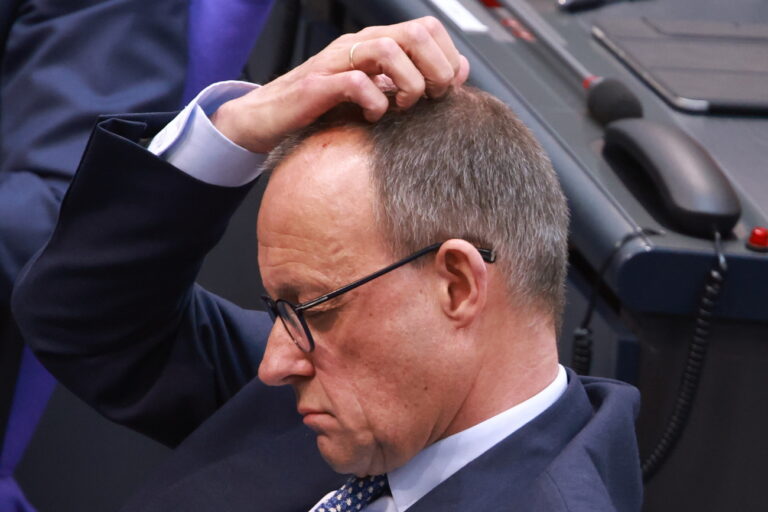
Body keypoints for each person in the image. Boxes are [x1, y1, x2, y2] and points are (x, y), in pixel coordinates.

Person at [12, 17, 642, 511]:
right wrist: (235, 129)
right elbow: (83, 314)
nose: (274, 364)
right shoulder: (364, 398)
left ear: (456, 285)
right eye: (278, 312)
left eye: (315, 307)